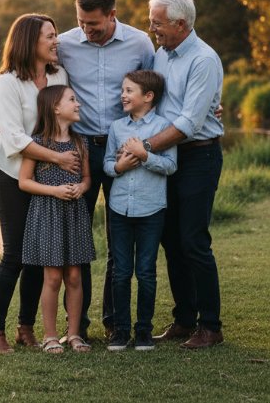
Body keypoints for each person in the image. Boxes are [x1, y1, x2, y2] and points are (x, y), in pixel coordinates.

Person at [57, 0, 154, 340]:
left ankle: (116, 322)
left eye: (93, 23)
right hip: (78, 150)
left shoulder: (140, 43)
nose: (86, 29)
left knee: (120, 237)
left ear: (112, 15)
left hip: (123, 150)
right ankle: (76, 326)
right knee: (76, 239)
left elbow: (156, 89)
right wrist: (0, 107)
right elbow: (32, 72)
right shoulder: (65, 44)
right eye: (81, 22)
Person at [0, 13, 78, 354]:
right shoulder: (8, 83)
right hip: (10, 173)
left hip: (44, 176)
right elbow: (13, 136)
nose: (56, 41)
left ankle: (26, 326)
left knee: (39, 254)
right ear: (29, 42)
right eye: (49, 36)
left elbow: (63, 118)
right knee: (14, 255)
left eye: (56, 35)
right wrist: (57, 158)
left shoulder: (58, 74)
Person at [141, 0, 226, 349]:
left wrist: (142, 148)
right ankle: (183, 319)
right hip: (171, 158)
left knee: (193, 240)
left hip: (198, 156)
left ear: (180, 23)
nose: (152, 28)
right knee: (171, 240)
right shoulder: (162, 55)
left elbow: (189, 123)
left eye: (157, 23)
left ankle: (211, 327)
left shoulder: (204, 60)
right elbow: (158, 107)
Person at [102, 70, 177, 352]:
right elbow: (108, 164)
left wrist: (145, 155)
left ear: (148, 96)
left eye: (129, 90)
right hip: (120, 208)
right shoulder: (117, 128)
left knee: (146, 272)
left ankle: (143, 331)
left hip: (151, 209)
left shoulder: (163, 127)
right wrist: (118, 168)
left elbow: (171, 166)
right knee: (121, 271)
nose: (123, 95)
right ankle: (120, 331)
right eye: (123, 90)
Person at [18, 85, 95, 353]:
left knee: (74, 276)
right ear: (55, 107)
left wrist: (82, 189)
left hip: (74, 214)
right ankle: (50, 336)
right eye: (72, 99)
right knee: (52, 277)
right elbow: (24, 182)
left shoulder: (80, 142)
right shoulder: (37, 143)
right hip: (47, 213)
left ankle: (73, 334)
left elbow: (87, 179)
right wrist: (55, 191)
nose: (78, 103)